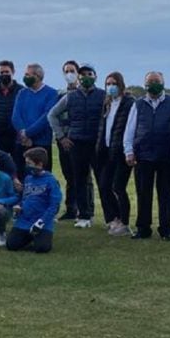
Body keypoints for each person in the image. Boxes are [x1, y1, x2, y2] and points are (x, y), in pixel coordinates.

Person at [124, 72, 170, 240]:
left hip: (166, 155)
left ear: (163, 83)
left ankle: (166, 229)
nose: (153, 84)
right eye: (150, 82)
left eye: (156, 81)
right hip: (143, 155)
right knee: (143, 194)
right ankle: (143, 228)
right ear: (145, 84)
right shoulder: (138, 104)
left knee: (166, 194)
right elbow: (130, 130)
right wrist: (128, 151)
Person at [49, 63, 104, 228]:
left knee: (102, 181)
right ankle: (84, 215)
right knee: (79, 179)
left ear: (95, 76)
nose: (85, 77)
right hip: (77, 142)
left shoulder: (103, 95)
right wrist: (61, 137)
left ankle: (111, 217)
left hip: (96, 143)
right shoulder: (71, 96)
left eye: (89, 74)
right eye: (82, 74)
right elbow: (52, 115)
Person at [96, 71, 135, 236]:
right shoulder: (108, 103)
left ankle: (125, 223)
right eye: (108, 84)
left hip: (121, 151)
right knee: (104, 185)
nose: (111, 87)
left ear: (121, 85)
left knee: (118, 187)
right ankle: (114, 218)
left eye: (114, 84)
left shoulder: (129, 103)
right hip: (107, 150)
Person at [6, 147, 62, 253]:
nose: (27, 166)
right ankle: (29, 236)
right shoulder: (28, 179)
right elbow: (25, 198)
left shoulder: (51, 181)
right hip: (25, 220)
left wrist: (41, 222)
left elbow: (54, 205)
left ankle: (38, 237)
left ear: (39, 164)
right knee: (11, 245)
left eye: (29, 163)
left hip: (42, 221)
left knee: (42, 248)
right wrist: (19, 207)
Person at [11, 63, 58, 178]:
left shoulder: (51, 93)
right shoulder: (22, 93)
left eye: (28, 74)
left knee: (42, 177)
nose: (25, 77)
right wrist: (23, 134)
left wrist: (28, 133)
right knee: (21, 176)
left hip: (41, 143)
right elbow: (16, 116)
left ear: (37, 76)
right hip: (22, 143)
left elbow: (46, 117)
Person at [51, 60, 81, 220]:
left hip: (78, 140)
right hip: (63, 140)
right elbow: (53, 116)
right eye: (66, 71)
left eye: (72, 71)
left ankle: (84, 209)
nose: (69, 74)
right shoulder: (60, 95)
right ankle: (71, 209)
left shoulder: (83, 93)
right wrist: (60, 137)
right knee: (69, 175)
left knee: (82, 177)